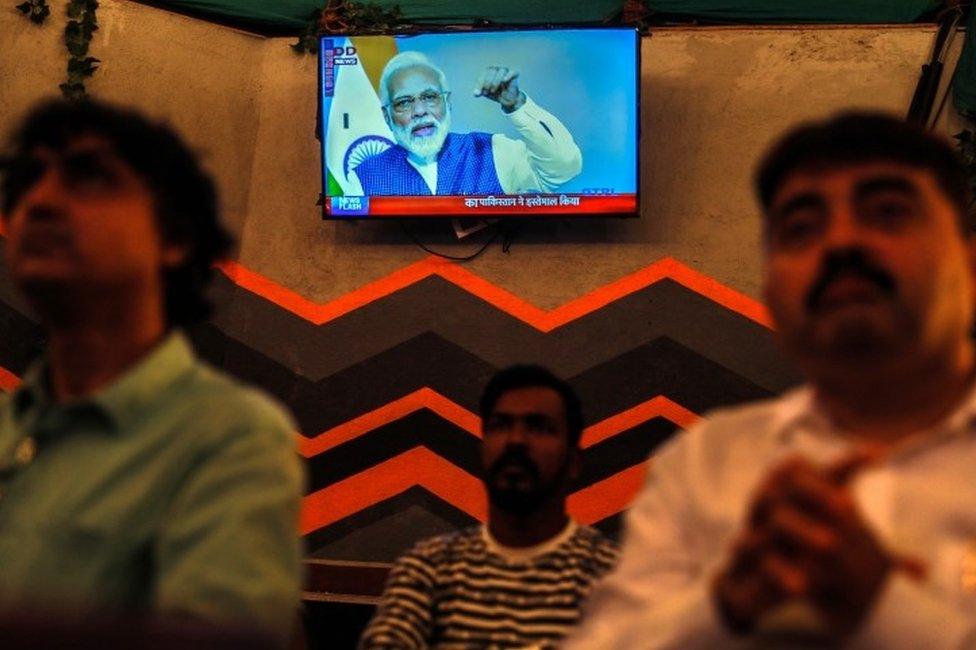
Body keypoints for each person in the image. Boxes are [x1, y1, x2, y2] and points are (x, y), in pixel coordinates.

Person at [563, 113, 976, 648]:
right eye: (801, 228)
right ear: (772, 288)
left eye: (887, 212)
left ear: (968, 260)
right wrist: (724, 605)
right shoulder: (707, 460)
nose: (841, 243)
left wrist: (885, 606)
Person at [0, 100, 303, 646]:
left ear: (175, 238)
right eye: (24, 182)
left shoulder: (230, 438)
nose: (39, 202)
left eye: (88, 178)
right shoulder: (8, 422)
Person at [358, 365, 617, 649]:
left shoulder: (614, 576)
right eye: (500, 425)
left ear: (574, 461)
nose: (516, 440)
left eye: (539, 427)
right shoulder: (430, 567)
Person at [349, 51, 582, 196]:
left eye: (430, 97)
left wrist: (517, 106)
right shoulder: (363, 176)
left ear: (447, 102)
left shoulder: (491, 151)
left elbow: (565, 167)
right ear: (387, 117)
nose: (420, 111)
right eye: (404, 102)